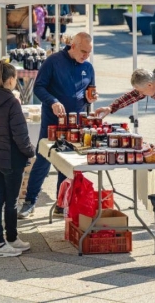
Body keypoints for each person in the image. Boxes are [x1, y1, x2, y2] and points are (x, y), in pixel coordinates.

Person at [18, 32, 97, 219]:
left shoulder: (88, 67)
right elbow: (39, 87)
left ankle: (62, 203)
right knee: (43, 159)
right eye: (83, 51)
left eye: (89, 52)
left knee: (67, 162)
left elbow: (90, 92)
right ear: (73, 46)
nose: (86, 56)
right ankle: (30, 201)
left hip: (76, 122)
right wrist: (52, 101)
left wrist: (91, 99)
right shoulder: (53, 61)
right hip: (52, 121)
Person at [0, 61, 36, 257]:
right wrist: (30, 152)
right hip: (12, 158)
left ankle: (7, 240)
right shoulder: (12, 102)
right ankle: (3, 243)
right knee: (10, 201)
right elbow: (21, 135)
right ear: (11, 80)